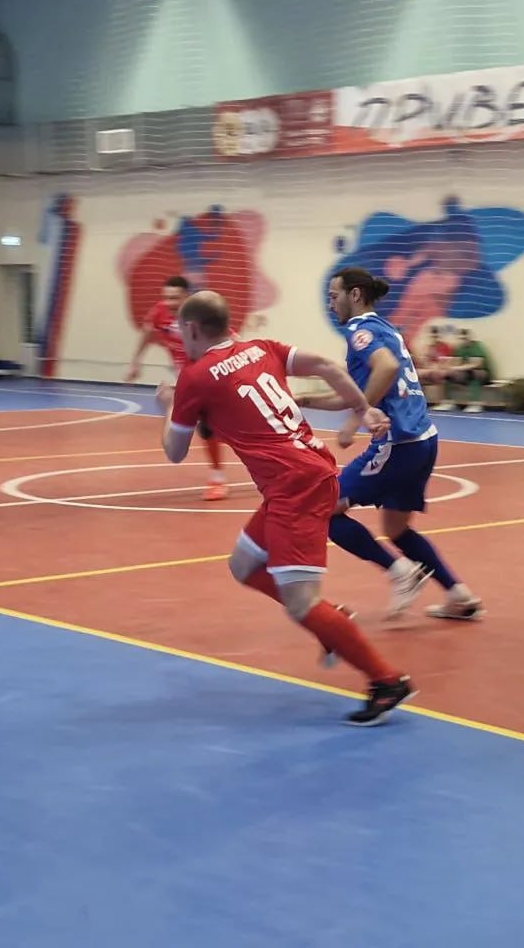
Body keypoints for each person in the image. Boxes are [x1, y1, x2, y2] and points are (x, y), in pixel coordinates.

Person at [158, 289, 415, 726]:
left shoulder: (195, 377)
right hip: (308, 472)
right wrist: (362, 409)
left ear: (193, 329)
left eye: (180, 330)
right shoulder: (262, 348)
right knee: (243, 564)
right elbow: (327, 366)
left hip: (294, 486)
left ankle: (386, 680)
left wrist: (168, 406)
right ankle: (330, 621)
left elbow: (175, 451)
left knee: (300, 603)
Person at [299, 267, 484, 622]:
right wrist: (304, 401)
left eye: (334, 296)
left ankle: (400, 572)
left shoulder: (359, 330)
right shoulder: (386, 329)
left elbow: (384, 369)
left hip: (398, 444)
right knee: (396, 529)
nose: (330, 304)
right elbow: (360, 390)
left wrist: (356, 419)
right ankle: (458, 595)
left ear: (355, 295)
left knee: (322, 509)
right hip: (423, 440)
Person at [127, 275, 227, 501]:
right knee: (203, 422)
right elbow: (147, 331)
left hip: (210, 373)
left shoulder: (201, 313)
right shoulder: (160, 312)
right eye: (167, 297)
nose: (170, 302)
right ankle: (217, 477)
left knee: (215, 424)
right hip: (187, 377)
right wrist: (135, 362)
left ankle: (220, 474)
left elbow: (229, 338)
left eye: (175, 298)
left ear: (187, 296)